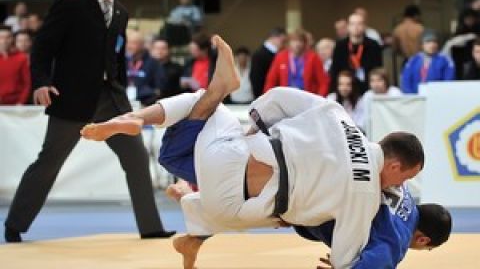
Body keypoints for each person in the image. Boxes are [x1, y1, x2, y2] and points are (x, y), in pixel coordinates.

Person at [81, 35, 424, 269]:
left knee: (203, 111)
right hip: (234, 204)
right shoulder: (365, 195)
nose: (397, 186)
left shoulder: (340, 116)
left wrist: (254, 127)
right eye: (404, 178)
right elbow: (348, 252)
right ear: (393, 165)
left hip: (234, 154)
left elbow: (278, 96)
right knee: (285, 215)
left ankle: (139, 116)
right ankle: (191, 223)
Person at [3, 0, 174, 243]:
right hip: (71, 99)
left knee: (135, 158)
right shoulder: (70, 3)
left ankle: (150, 227)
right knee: (49, 162)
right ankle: (15, 224)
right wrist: (41, 82)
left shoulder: (121, 12)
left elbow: (117, 58)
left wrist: (121, 93)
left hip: (112, 101)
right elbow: (43, 47)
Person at [294, 185, 451, 269]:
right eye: (428, 248)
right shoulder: (396, 243)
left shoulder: (402, 186)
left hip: (320, 184)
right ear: (423, 240)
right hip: (306, 210)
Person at [264, 29, 329, 96]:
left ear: (304, 43)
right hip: (286, 96)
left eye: (300, 41)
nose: (297, 44)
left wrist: (320, 98)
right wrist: (268, 96)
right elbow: (271, 80)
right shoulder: (281, 57)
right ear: (289, 42)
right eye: (294, 41)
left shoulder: (313, 57)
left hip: (307, 97)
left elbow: (323, 82)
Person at [329, 13, 383, 93]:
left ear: (365, 26)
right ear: (348, 27)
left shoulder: (373, 45)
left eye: (359, 24)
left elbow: (378, 69)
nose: (356, 27)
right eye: (353, 24)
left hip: (368, 88)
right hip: (346, 89)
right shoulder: (340, 46)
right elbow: (335, 70)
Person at [125, 29, 165, 105]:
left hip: (145, 103)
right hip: (124, 103)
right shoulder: (123, 61)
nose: (129, 46)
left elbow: (159, 89)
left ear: (142, 45)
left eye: (134, 43)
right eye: (128, 42)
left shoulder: (153, 63)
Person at [249, 27, 287, 99]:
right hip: (264, 96)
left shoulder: (278, 54)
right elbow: (256, 79)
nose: (284, 44)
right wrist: (261, 98)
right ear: (274, 38)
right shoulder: (260, 55)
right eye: (283, 41)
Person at [0, 25, 30, 105]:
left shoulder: (22, 58)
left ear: (12, 39)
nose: (4, 41)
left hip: (17, 104)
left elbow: (27, 83)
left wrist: (21, 102)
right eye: (1, 37)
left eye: (7, 37)